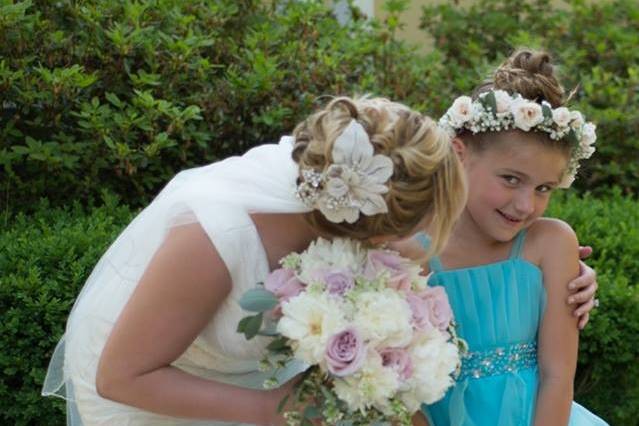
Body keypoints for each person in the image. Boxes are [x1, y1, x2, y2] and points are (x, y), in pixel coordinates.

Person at [42, 95, 469, 425]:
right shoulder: (217, 238)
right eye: (416, 229)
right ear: (373, 230)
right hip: (145, 396)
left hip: (248, 381)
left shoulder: (336, 207)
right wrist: (270, 411)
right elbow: (118, 377)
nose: (416, 245)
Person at [414, 49, 608, 425]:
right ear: (459, 154)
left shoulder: (550, 244)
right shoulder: (412, 250)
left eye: (544, 188)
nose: (525, 205)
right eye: (511, 179)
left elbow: (557, 375)